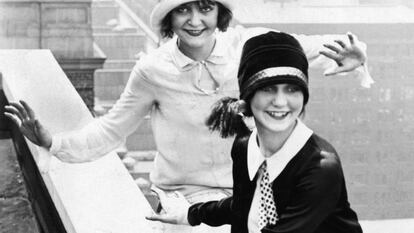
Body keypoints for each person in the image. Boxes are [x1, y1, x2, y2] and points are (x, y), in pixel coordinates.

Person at [4, 0, 369, 232]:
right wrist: (54, 141)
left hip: (248, 195)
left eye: (206, 8)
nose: (195, 20)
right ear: (169, 18)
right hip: (184, 201)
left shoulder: (246, 46)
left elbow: (309, 46)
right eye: (183, 10)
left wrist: (353, 55)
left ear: (219, 14)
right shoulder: (152, 70)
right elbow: (110, 131)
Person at [147, 31, 363, 233]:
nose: (280, 102)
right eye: (268, 89)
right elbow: (244, 204)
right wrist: (189, 214)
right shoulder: (244, 147)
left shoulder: (321, 166)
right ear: (247, 99)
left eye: (292, 89)